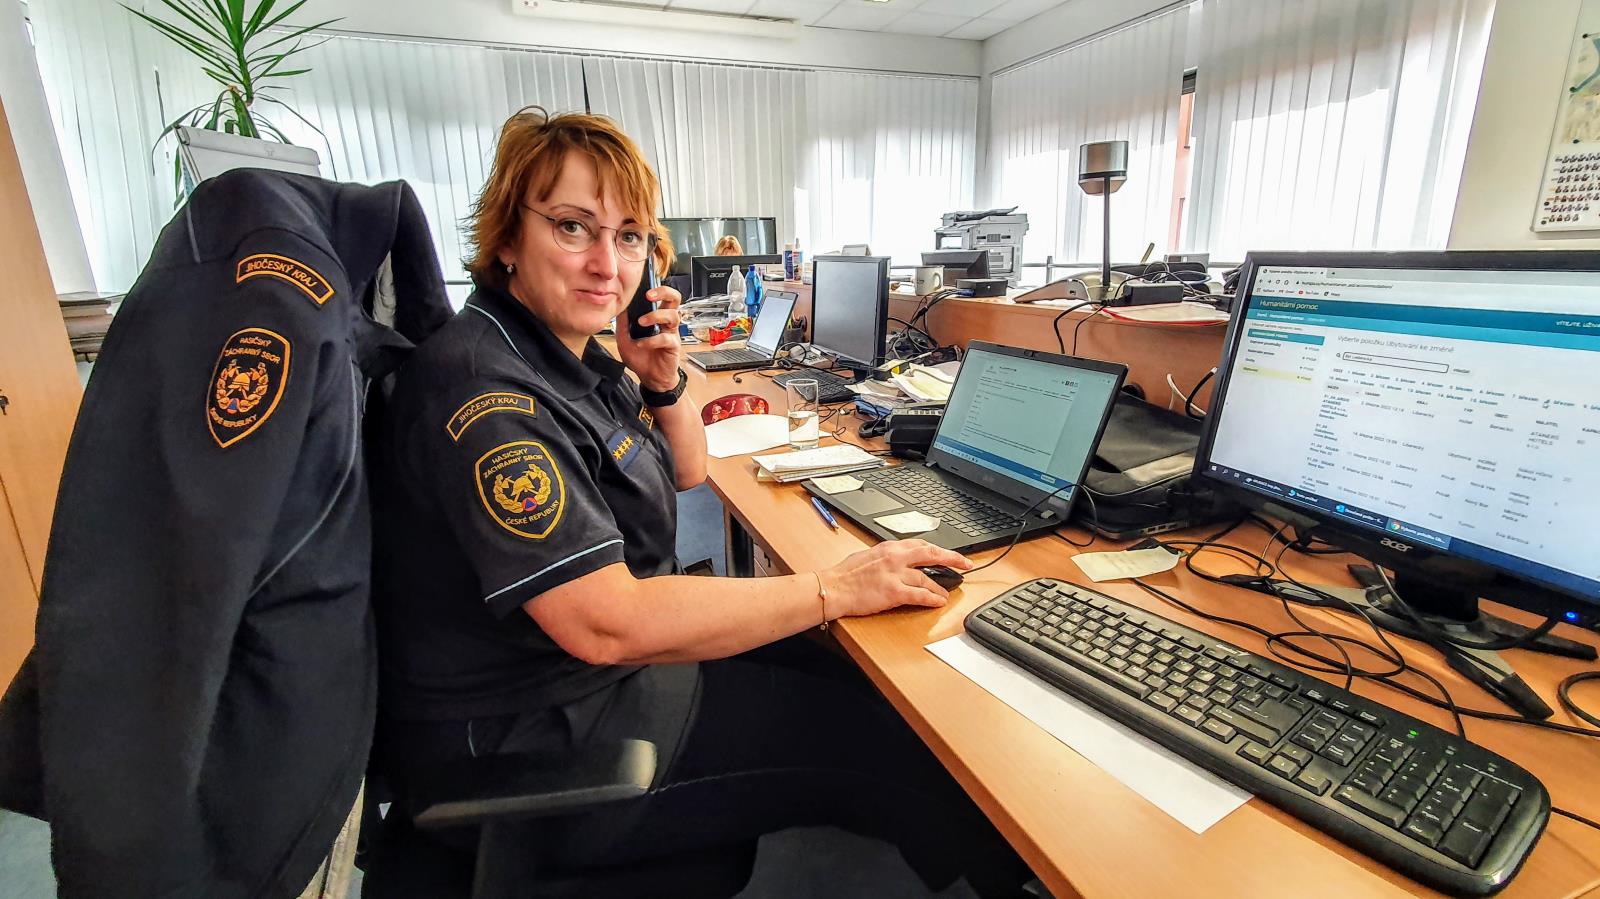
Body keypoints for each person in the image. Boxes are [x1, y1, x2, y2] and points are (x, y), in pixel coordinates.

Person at [371, 107, 1030, 895]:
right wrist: (833, 586)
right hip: (541, 730)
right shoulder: (487, 394)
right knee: (881, 741)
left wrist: (660, 378)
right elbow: (604, 622)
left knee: (857, 674)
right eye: (572, 227)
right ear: (508, 236)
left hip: (594, 674)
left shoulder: (557, 353)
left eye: (628, 236)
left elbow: (686, 470)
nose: (607, 264)